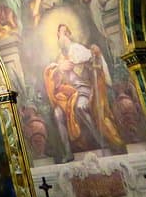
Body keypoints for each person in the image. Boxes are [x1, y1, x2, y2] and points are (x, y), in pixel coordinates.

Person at [43, 24, 124, 159]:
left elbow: (93, 62)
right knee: (57, 113)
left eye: (63, 33)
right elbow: (56, 80)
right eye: (58, 34)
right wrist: (58, 69)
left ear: (69, 35)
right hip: (68, 93)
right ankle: (68, 153)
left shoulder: (78, 49)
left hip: (83, 88)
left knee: (80, 107)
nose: (60, 37)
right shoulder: (59, 58)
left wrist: (94, 55)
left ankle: (101, 143)